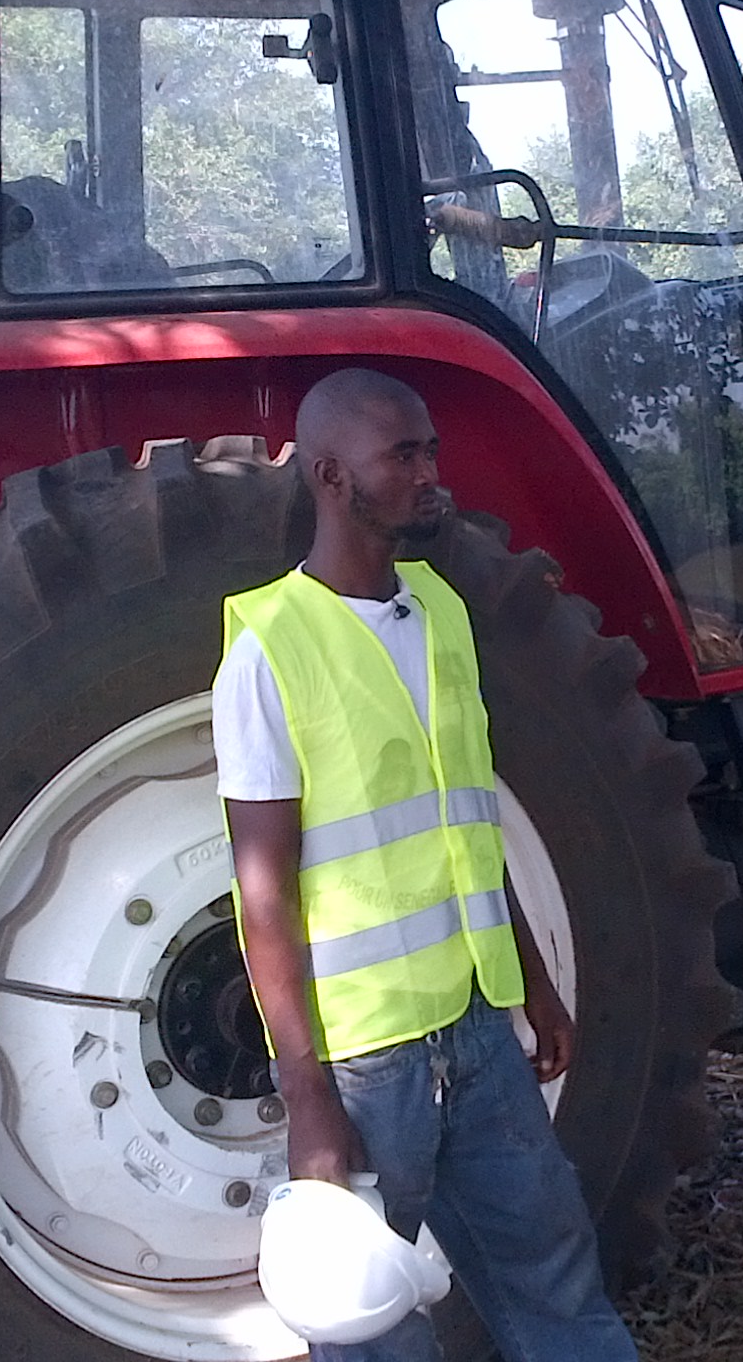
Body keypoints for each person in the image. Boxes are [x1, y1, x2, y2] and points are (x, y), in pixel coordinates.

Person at [214, 367, 640, 1362]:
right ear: (330, 475)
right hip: (368, 1067)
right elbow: (263, 894)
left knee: (554, 1273)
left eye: (430, 449)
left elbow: (465, 824)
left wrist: (533, 987)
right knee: (370, 1323)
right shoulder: (269, 652)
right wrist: (308, 1090)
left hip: (475, 1032)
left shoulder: (438, 610)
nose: (430, 472)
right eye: (401, 455)